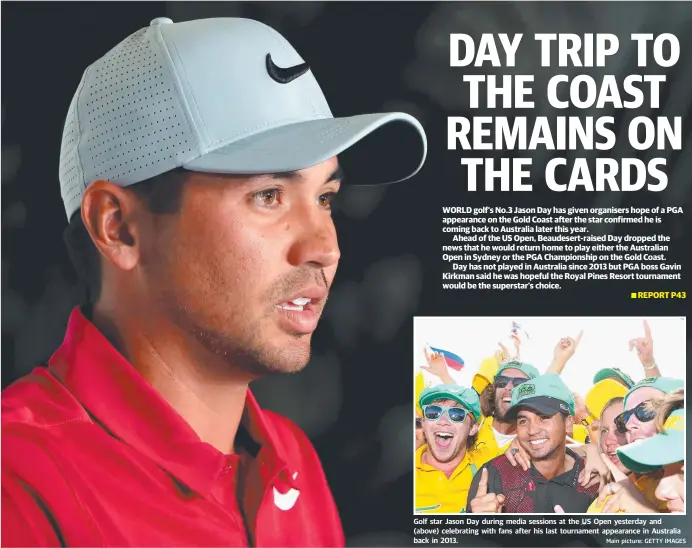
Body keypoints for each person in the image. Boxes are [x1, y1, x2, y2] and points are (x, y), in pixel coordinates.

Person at [1, 16, 427, 547]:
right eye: (268, 195)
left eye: (325, 198)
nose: (325, 248)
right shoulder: (18, 484)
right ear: (119, 226)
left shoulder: (290, 461)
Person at [466, 374, 599, 513]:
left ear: (568, 423)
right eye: (523, 421)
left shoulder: (593, 480)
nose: (532, 430)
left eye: (543, 417)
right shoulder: (495, 475)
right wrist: (479, 528)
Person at [595, 388, 684, 514]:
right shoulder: (596, 482)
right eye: (604, 430)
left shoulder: (658, 493)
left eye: (620, 428)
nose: (609, 440)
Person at [415, 385, 482, 513]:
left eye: (456, 414)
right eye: (433, 412)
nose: (443, 421)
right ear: (423, 422)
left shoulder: (488, 471)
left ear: (472, 428)